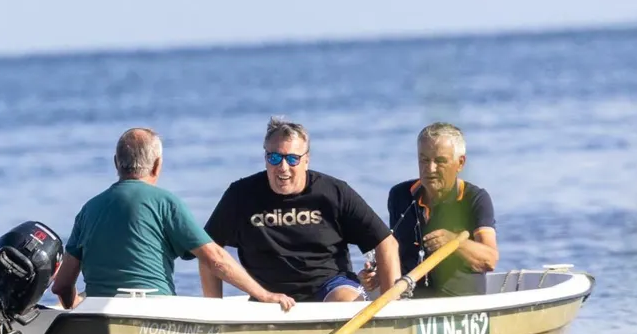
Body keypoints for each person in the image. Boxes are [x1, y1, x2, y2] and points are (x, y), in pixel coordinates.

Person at [50, 128, 294, 310]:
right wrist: (264, 295)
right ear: (157, 165)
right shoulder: (166, 203)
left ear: (116, 164)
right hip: (154, 311)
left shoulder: (89, 209)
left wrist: (76, 306)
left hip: (98, 313)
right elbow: (216, 259)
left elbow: (61, 286)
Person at [200, 117, 400, 302]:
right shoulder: (240, 195)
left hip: (329, 287)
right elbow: (207, 250)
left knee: (345, 301)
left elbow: (386, 243)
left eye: (292, 158)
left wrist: (392, 306)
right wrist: (214, 311)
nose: (283, 167)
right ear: (265, 158)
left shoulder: (334, 192)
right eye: (275, 158)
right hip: (267, 295)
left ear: (306, 160)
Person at [364, 122, 499, 297]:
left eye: (440, 161)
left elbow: (490, 259)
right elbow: (395, 253)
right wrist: (376, 274)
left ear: (460, 163)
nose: (430, 169)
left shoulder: (475, 199)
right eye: (424, 160)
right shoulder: (400, 195)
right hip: (413, 302)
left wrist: (454, 243)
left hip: (462, 303)